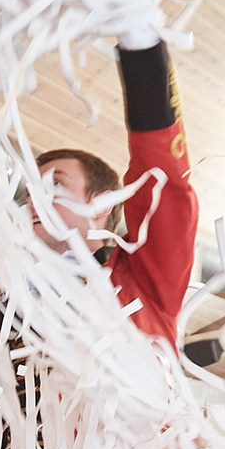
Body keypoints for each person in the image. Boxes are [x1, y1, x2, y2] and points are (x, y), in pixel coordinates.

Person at [30, 32, 200, 349]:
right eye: (29, 192)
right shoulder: (2, 283)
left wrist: (141, 46)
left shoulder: (141, 281)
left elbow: (162, 179)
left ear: (102, 203)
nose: (32, 199)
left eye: (55, 183)